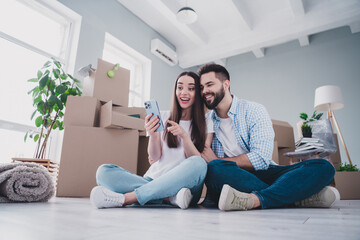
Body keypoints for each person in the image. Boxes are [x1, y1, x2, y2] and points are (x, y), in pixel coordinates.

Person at [198, 64, 339, 211]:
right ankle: (294, 197)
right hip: (233, 177)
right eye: (201, 87)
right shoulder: (206, 122)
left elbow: (260, 158)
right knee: (215, 169)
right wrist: (216, 163)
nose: (204, 91)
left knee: (323, 166)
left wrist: (217, 160)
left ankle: (256, 199)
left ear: (225, 84)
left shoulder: (254, 110)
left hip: (266, 172)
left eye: (209, 85)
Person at [90, 71, 213, 209]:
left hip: (187, 186)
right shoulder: (164, 116)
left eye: (191, 88)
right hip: (154, 179)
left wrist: (185, 137)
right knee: (103, 172)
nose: (184, 92)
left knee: (199, 164)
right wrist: (153, 135)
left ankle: (128, 198)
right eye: (180, 87)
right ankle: (168, 197)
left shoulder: (207, 122)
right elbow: (154, 158)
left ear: (198, 93)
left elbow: (198, 161)